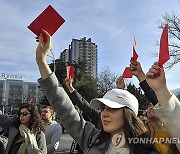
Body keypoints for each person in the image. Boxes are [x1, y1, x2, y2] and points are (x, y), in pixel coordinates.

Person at [35, 30, 158, 154]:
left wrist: (141, 78)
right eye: (103, 108)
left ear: (129, 114)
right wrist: (41, 61)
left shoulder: (151, 149)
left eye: (112, 108)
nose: (103, 114)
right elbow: (64, 108)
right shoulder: (92, 138)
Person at [146, 61, 180, 152]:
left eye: (155, 105)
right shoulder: (143, 137)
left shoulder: (173, 131)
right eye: (149, 106)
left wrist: (161, 89)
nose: (151, 108)